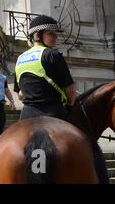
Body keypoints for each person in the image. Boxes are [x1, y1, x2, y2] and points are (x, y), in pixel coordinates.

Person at [14, 15, 109, 183]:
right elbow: (71, 91)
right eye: (52, 34)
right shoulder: (52, 55)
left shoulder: (20, 59)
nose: (56, 37)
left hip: (26, 115)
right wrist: (71, 105)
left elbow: (20, 94)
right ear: (38, 35)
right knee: (92, 146)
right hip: (54, 112)